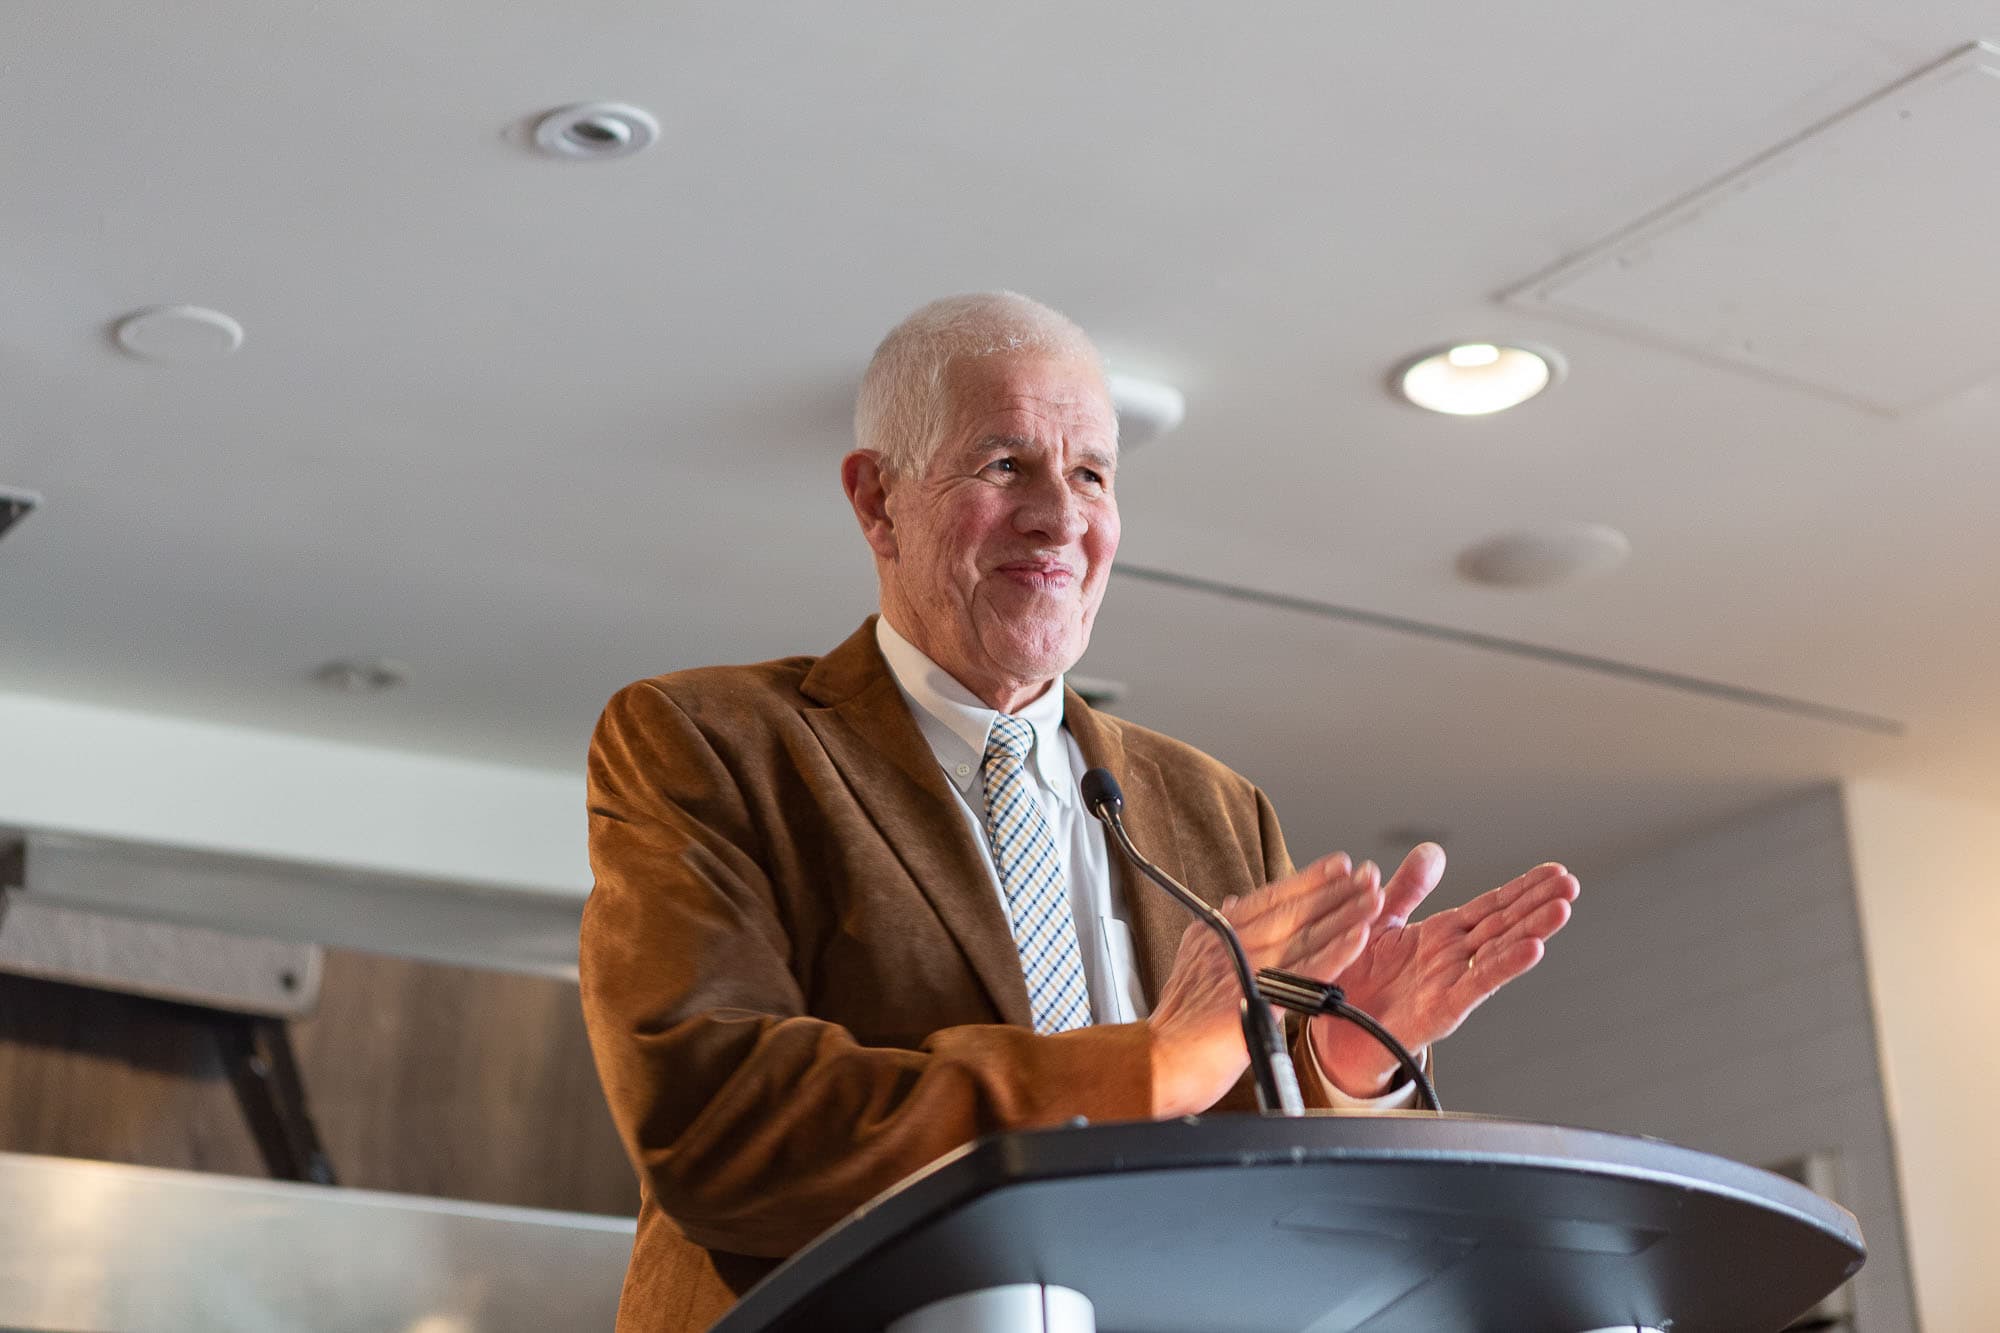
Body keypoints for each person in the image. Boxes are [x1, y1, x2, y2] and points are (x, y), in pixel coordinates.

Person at [579, 292, 1578, 1331]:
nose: (1061, 515)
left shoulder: (1215, 808)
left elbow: (1281, 1205)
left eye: (1091, 473)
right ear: (878, 500)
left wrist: (1341, 1068)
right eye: (1005, 465)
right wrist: (1142, 1066)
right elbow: (721, 1125)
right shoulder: (711, 740)